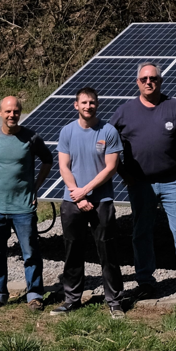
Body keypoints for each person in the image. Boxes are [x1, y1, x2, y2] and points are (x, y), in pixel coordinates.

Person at [110, 62, 176, 302]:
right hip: (140, 184)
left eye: (154, 78)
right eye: (144, 79)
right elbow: (106, 143)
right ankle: (145, 281)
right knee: (142, 232)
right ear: (137, 82)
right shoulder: (125, 111)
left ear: (161, 81)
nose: (149, 82)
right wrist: (121, 172)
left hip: (173, 182)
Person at [0, 96, 53, 311]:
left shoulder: (31, 138)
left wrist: (36, 187)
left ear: (20, 112)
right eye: (8, 111)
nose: (12, 115)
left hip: (23, 208)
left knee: (31, 254)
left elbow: (48, 160)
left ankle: (35, 295)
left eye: (16, 111)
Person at [53, 87, 125, 319]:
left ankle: (114, 301)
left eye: (92, 102)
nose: (88, 106)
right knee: (73, 251)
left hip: (101, 201)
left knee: (108, 251)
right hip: (72, 201)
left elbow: (111, 167)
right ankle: (72, 299)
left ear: (97, 105)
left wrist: (87, 191)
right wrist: (78, 194)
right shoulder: (67, 131)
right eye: (83, 103)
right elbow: (64, 165)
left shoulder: (108, 131)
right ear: (76, 105)